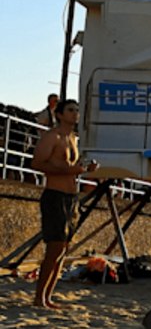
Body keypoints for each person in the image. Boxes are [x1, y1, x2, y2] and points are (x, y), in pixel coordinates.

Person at [30, 99, 98, 308]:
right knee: (54, 248)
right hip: (55, 195)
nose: (75, 114)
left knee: (64, 250)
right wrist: (72, 170)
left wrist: (87, 170)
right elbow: (37, 163)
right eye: (70, 110)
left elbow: (74, 167)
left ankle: (48, 296)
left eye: (77, 110)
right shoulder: (53, 136)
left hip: (71, 197)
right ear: (59, 114)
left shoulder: (73, 139)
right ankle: (39, 297)